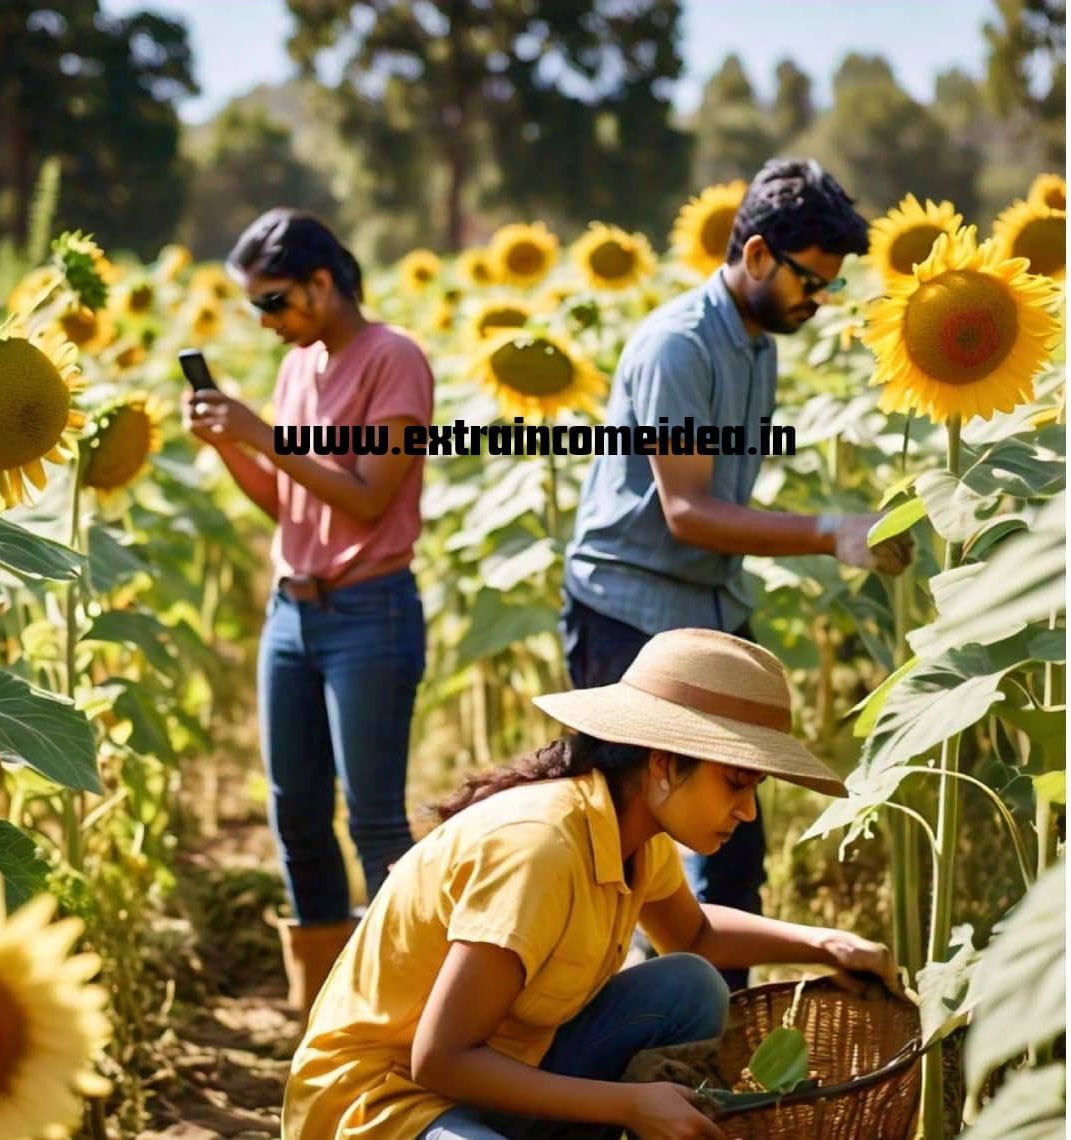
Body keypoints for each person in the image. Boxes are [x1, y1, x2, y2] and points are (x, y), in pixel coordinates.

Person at [282, 629, 902, 1140]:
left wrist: (824, 943)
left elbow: (698, 934)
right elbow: (438, 1060)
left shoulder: (635, 833)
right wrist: (628, 1105)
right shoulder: (541, 849)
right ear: (663, 764)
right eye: (735, 783)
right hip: (385, 1103)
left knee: (688, 986)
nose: (746, 811)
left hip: (496, 1071)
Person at [561, 159, 914, 988]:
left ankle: (716, 1044)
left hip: (711, 604)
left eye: (827, 285)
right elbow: (686, 510)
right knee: (638, 843)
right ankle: (642, 1053)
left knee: (735, 834)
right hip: (630, 610)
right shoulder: (680, 345)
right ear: (757, 255)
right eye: (810, 281)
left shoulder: (757, 346)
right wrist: (832, 533)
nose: (816, 300)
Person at [184, 209, 434, 1016]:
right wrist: (234, 445)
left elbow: (369, 496)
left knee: (373, 819)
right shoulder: (301, 366)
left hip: (370, 611)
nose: (267, 322)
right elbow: (288, 503)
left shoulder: (392, 359)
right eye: (257, 307)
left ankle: (407, 1007)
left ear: (323, 284)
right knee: (293, 811)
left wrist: (261, 433)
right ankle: (322, 1010)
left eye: (274, 302)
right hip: (291, 614)